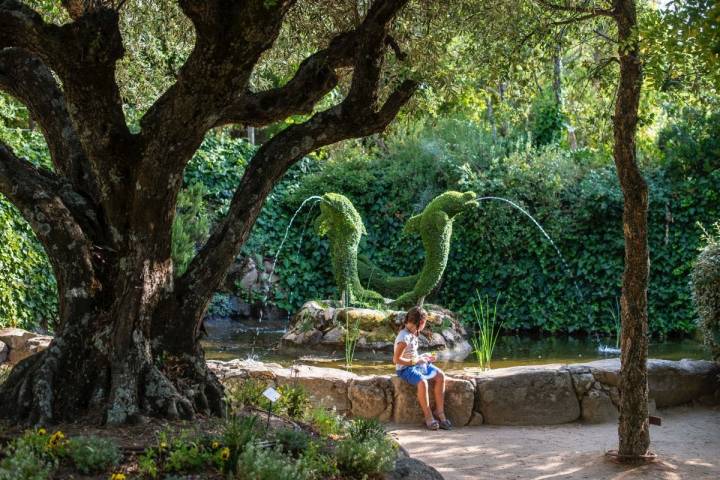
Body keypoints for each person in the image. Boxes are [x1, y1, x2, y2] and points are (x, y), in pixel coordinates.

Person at [393, 306, 452, 430]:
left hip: (416, 364)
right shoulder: (404, 337)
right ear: (421, 322)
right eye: (425, 323)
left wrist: (424, 357)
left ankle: (439, 412)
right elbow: (396, 360)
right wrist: (416, 360)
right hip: (405, 369)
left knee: (440, 376)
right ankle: (428, 416)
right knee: (422, 382)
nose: (425, 325)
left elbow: (412, 354)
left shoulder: (413, 333)